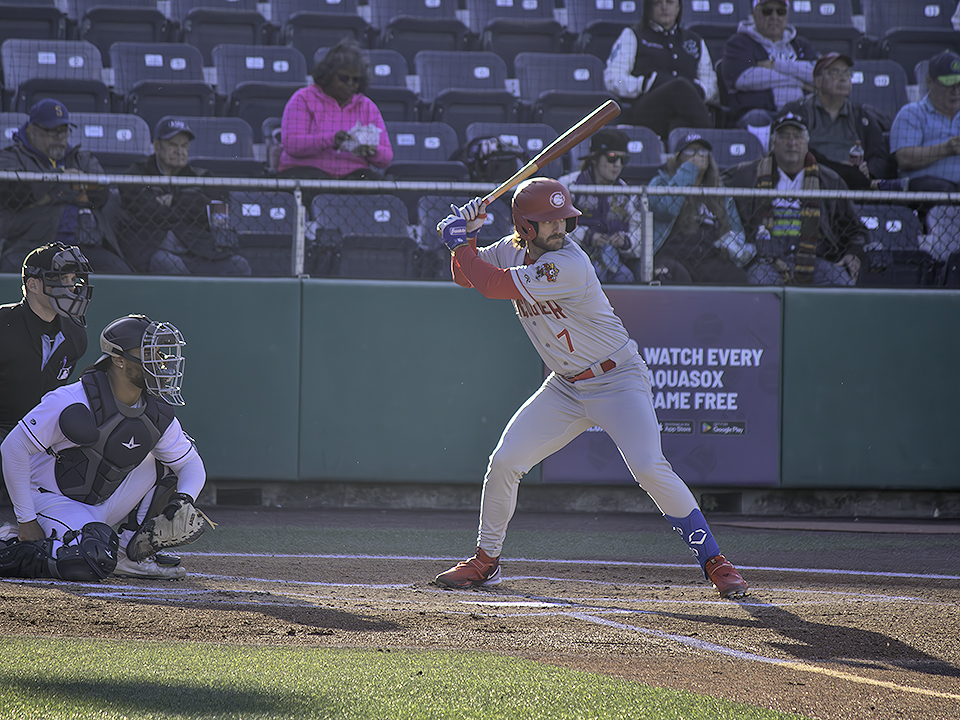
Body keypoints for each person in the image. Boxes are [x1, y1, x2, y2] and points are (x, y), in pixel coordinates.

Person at [431, 178, 749, 600]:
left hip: (617, 379)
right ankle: (486, 561)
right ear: (526, 226)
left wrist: (459, 242)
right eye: (549, 221)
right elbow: (467, 277)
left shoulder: (570, 264)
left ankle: (715, 561)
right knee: (505, 461)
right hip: (565, 387)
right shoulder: (511, 249)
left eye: (563, 218)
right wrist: (467, 236)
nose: (560, 227)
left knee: (649, 467)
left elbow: (489, 284)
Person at [0, 314, 207, 581]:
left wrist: (183, 499)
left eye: (159, 353)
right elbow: (14, 447)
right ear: (119, 360)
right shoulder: (70, 399)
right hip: (51, 498)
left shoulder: (157, 411)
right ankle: (12, 542)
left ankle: (130, 553)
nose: (160, 361)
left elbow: (190, 463)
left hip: (104, 503)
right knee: (88, 560)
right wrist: (27, 519)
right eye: (149, 353)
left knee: (166, 460)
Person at [722, 112, 866, 286]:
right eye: (784, 137)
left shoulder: (829, 180)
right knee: (760, 287)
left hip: (817, 258)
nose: (791, 143)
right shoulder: (746, 175)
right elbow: (714, 187)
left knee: (843, 285)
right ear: (772, 143)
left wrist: (854, 252)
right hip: (766, 261)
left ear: (806, 143)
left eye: (797, 137)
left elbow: (855, 228)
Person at [0, 99, 133, 275]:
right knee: (12, 269)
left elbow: (101, 197)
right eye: (53, 133)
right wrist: (63, 181)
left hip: (86, 244)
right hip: (33, 244)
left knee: (121, 273)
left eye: (63, 132)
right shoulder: (11, 157)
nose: (60, 139)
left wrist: (51, 194)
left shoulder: (81, 158)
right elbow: (15, 195)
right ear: (32, 130)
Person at [118, 118, 251, 276]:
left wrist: (173, 200)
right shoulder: (137, 173)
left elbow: (215, 207)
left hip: (199, 250)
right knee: (166, 264)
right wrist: (188, 205)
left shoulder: (201, 176)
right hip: (155, 248)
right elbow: (144, 210)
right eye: (173, 145)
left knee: (239, 265)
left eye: (184, 146)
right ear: (157, 147)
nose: (180, 151)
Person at [0, 244, 92, 444]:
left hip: (42, 433)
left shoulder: (75, 335)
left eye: (72, 280)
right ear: (33, 285)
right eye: (61, 279)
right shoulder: (3, 325)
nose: (71, 287)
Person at [277, 37, 393, 181]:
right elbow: (292, 144)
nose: (351, 84)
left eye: (356, 80)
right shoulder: (303, 99)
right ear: (329, 75)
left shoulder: (367, 106)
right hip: (307, 171)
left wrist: (371, 150)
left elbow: (386, 157)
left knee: (382, 189)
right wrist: (331, 140)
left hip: (352, 174)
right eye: (344, 78)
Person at [781, 53, 899, 191]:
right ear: (817, 81)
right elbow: (789, 152)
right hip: (809, 183)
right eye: (834, 73)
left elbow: (879, 156)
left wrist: (869, 171)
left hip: (853, 188)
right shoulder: (797, 111)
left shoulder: (861, 115)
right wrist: (839, 169)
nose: (843, 78)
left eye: (846, 73)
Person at [603, 0, 717, 140]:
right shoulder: (632, 35)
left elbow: (711, 84)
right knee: (679, 86)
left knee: (679, 123)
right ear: (648, 7)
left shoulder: (695, 41)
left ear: (679, 6)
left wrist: (698, 90)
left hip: (684, 113)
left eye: (669, 2)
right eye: (657, 3)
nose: (664, 7)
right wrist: (644, 84)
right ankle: (713, 140)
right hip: (646, 110)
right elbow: (614, 78)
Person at [649, 132, 753, 284]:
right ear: (677, 157)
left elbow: (735, 228)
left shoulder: (719, 191)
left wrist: (729, 247)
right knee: (676, 278)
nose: (698, 155)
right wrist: (689, 170)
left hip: (707, 255)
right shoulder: (661, 181)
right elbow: (665, 209)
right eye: (690, 151)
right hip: (672, 253)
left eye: (703, 151)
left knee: (738, 279)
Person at [557, 128, 644, 283]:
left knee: (627, 277)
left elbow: (640, 237)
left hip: (614, 260)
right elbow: (554, 228)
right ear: (595, 158)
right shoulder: (568, 185)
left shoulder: (628, 193)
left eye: (623, 159)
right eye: (612, 158)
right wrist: (587, 236)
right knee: (595, 274)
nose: (617, 165)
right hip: (575, 258)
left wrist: (625, 241)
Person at [721, 0, 818, 129]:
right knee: (756, 117)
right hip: (762, 112)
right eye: (767, 11)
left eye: (780, 12)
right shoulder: (739, 43)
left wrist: (775, 65)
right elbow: (744, 78)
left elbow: (818, 74)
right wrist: (800, 82)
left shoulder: (800, 44)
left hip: (802, 112)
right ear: (754, 13)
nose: (774, 17)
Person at [890, 51, 960, 194]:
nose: (956, 91)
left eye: (959, 84)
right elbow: (904, 158)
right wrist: (947, 149)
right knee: (941, 189)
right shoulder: (911, 113)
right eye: (949, 84)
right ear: (929, 82)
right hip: (928, 190)